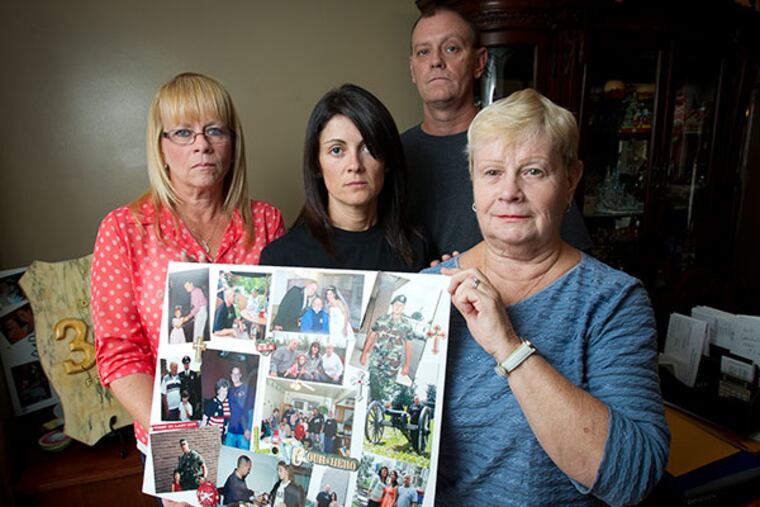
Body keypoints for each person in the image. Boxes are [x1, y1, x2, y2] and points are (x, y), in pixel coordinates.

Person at [425, 89, 668, 505]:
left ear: (571, 179)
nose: (509, 192)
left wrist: (506, 344)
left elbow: (632, 477)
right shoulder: (427, 289)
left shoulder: (613, 301)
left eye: (533, 171)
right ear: (473, 182)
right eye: (492, 172)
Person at [91, 72, 285, 456]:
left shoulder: (266, 222)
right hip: (171, 438)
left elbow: (282, 336)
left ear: (232, 144)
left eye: (215, 131)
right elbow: (119, 353)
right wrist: (180, 441)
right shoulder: (124, 230)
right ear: (160, 146)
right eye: (183, 133)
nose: (202, 145)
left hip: (255, 435)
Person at [402, 6, 591, 258]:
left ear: (479, 62)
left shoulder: (522, 144)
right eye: (423, 52)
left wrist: (483, 268)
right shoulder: (392, 154)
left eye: (451, 48)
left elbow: (572, 259)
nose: (436, 61)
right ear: (413, 69)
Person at [260, 83, 430, 271]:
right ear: (316, 164)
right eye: (336, 150)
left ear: (386, 160)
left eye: (367, 148)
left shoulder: (417, 246)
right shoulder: (280, 258)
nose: (355, 165)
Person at [359, 294, 414, 400]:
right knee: (372, 382)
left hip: (392, 363)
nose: (398, 307)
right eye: (396, 305)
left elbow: (408, 345)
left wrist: (407, 365)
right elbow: (372, 336)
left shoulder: (407, 325)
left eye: (401, 306)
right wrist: (364, 354)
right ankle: (373, 402)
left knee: (387, 389)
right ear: (392, 306)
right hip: (376, 358)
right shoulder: (382, 319)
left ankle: (379, 406)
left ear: (403, 308)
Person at [227, 366, 255, 449]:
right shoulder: (229, 391)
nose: (235, 376)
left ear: (240, 375)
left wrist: (248, 429)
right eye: (233, 374)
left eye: (237, 374)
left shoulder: (248, 389)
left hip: (243, 432)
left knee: (243, 456)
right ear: (231, 375)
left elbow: (250, 410)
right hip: (230, 431)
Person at [203, 377, 230, 442]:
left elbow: (227, 420)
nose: (224, 393)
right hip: (211, 435)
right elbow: (204, 419)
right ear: (218, 391)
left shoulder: (228, 403)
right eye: (222, 390)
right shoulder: (212, 403)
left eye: (226, 390)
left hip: (223, 436)